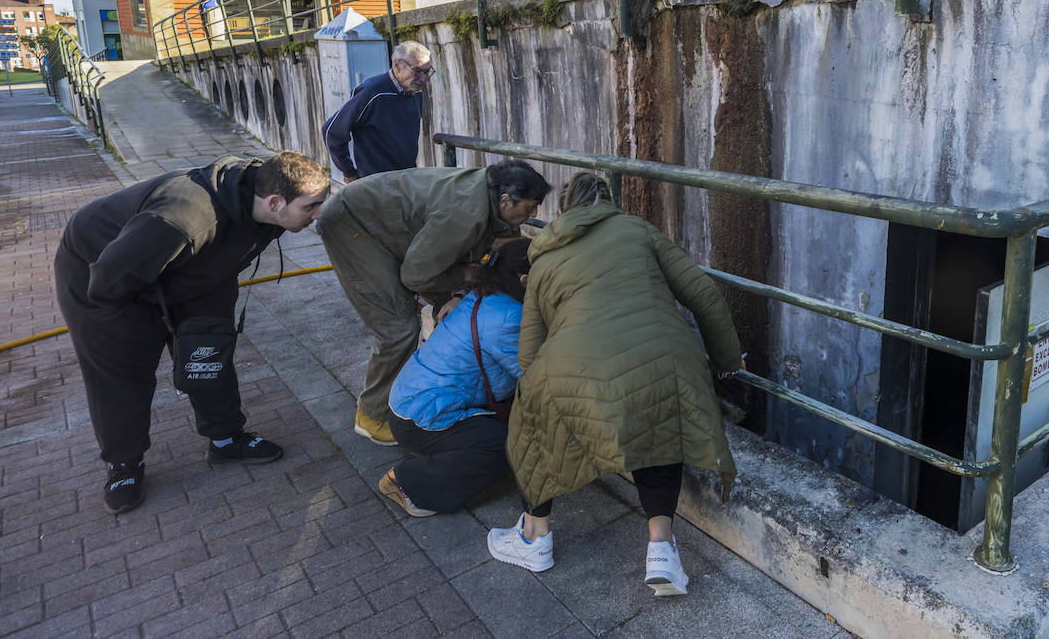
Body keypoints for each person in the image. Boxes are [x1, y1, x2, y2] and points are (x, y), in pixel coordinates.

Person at [486, 172, 744, 596]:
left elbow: (529, 352)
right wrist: (728, 365)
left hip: (574, 366)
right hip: (665, 357)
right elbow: (704, 295)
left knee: (531, 423)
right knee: (658, 418)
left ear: (564, 210)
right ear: (608, 204)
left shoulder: (545, 255)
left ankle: (535, 537)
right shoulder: (639, 230)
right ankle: (661, 550)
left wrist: (538, 397)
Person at [54, 151, 330, 515]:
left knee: (208, 351)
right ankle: (124, 465)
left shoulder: (266, 197)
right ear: (276, 202)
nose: (318, 215)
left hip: (187, 268)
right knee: (122, 372)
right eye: (311, 207)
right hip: (103, 274)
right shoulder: (181, 220)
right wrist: (153, 317)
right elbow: (110, 279)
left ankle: (226, 438)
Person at [319, 160, 552, 446]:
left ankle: (410, 390)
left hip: (384, 225)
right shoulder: (464, 214)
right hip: (352, 224)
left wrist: (455, 294)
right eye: (529, 208)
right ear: (505, 199)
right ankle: (372, 415)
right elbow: (416, 276)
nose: (533, 215)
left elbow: (474, 253)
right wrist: (464, 276)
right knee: (399, 325)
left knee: (435, 297)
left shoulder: (488, 197)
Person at [377, 238, 531, 517]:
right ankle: (407, 482)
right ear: (525, 279)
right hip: (419, 417)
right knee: (505, 446)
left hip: (412, 402)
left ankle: (446, 454)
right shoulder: (509, 317)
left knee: (505, 434)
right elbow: (531, 373)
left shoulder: (486, 294)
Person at [322, 40, 434, 182]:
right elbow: (331, 130)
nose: (424, 79)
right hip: (375, 184)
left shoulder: (415, 91)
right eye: (417, 71)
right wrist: (348, 171)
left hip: (406, 179)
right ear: (397, 65)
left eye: (427, 72)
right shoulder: (373, 92)